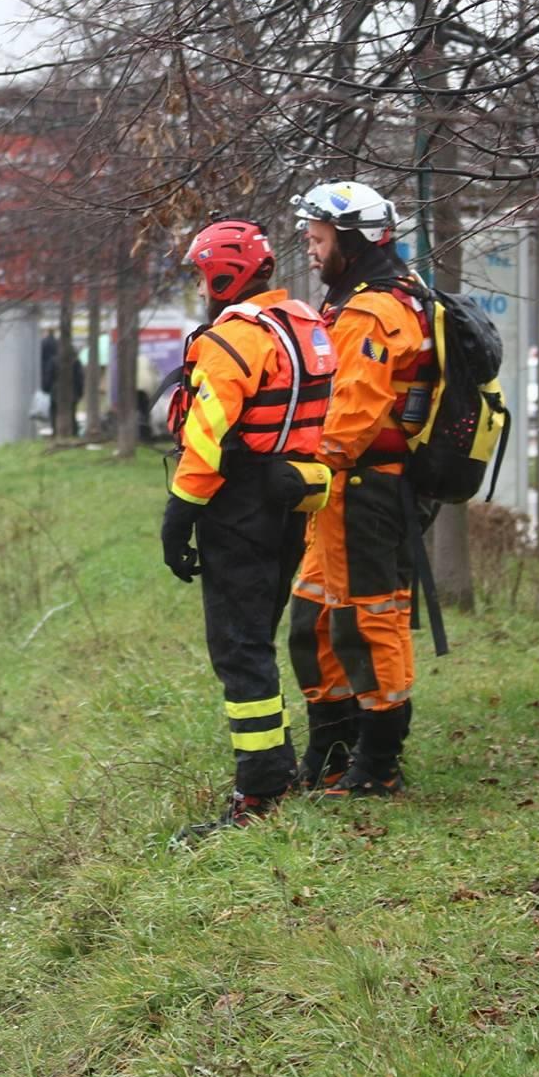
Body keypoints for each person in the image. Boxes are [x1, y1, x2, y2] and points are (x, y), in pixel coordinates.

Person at [165, 219, 337, 843]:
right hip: (289, 502)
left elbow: (206, 439)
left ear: (222, 274)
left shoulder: (234, 339)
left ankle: (261, 789)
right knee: (256, 643)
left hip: (237, 507)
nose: (200, 289)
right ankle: (274, 771)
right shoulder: (304, 324)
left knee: (240, 651)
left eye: (200, 275)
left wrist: (177, 516)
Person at [287, 181, 432, 798]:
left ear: (351, 240)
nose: (312, 252)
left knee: (371, 623)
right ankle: (334, 746)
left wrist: (301, 474)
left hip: (365, 489)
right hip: (342, 491)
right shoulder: (355, 301)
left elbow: (353, 411)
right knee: (312, 622)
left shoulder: (373, 311)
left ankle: (378, 764)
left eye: (319, 241)